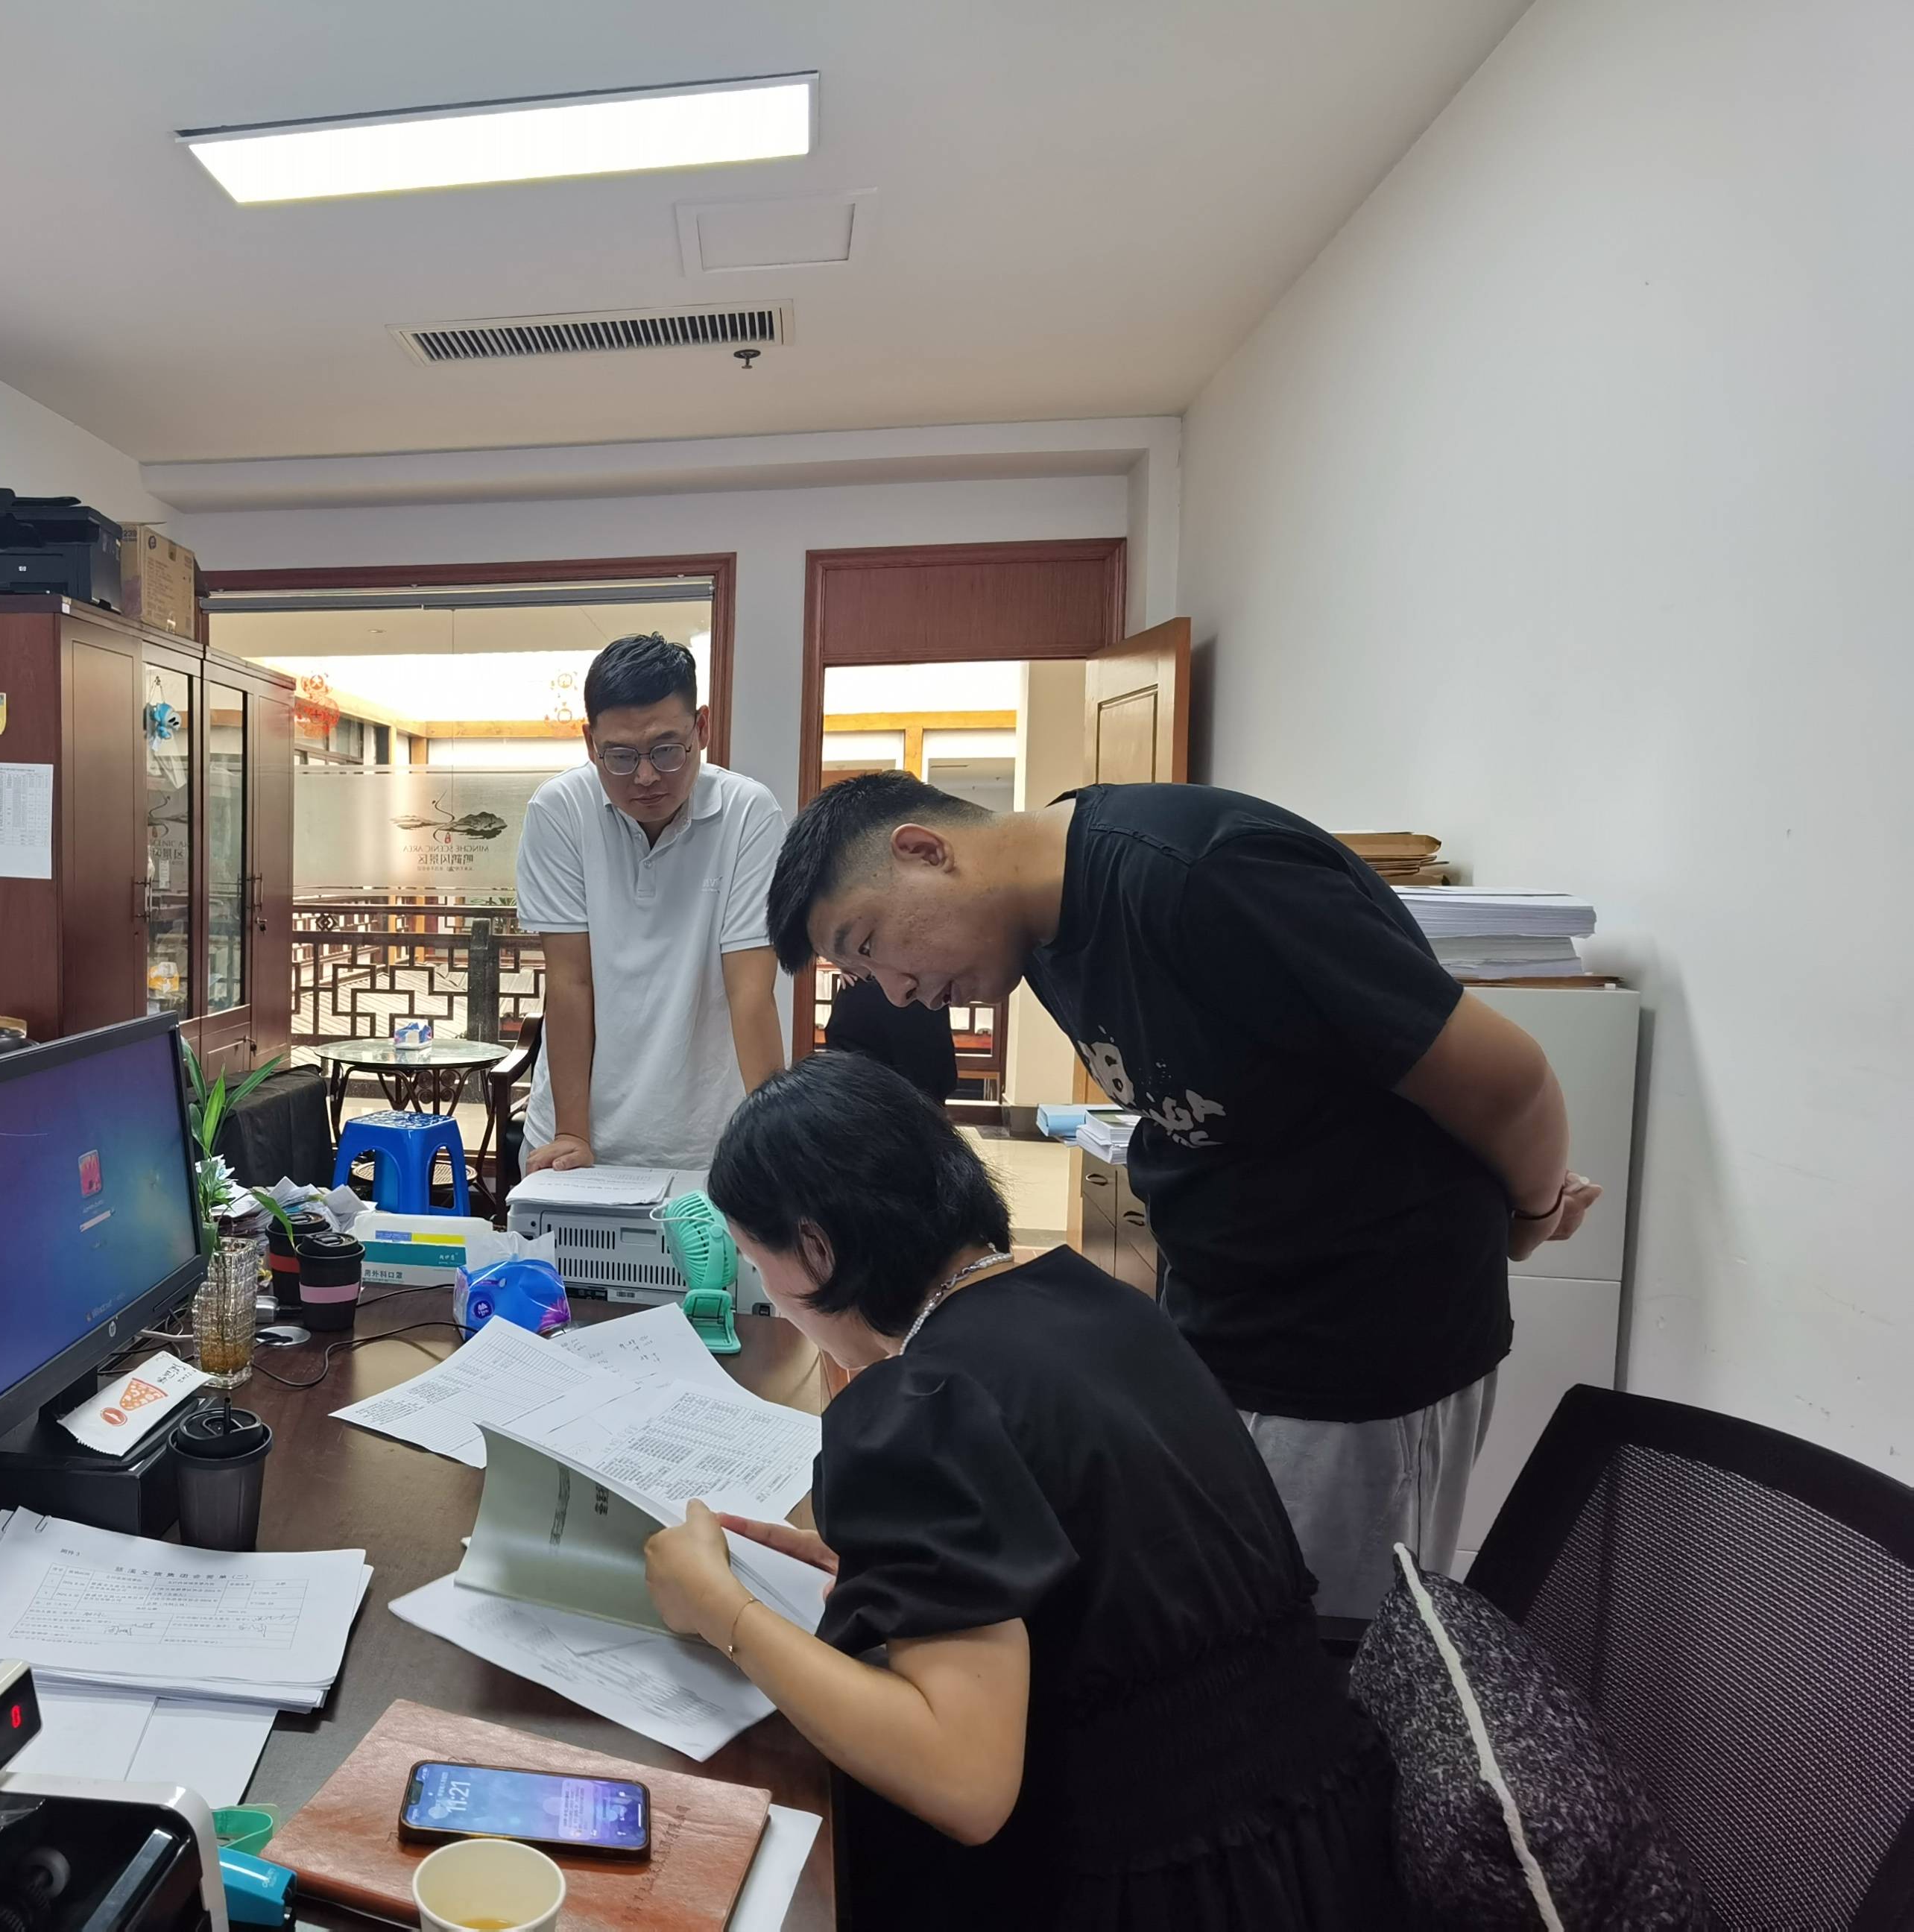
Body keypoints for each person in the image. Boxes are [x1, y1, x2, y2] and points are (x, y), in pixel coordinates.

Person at [763, 772, 1602, 1617]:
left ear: (923, 851)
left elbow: (1510, 1079)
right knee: (1214, 1617)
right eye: (862, 974)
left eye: (869, 944)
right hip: (1225, 1326)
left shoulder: (1202, 876)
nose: (898, 991)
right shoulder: (1039, 931)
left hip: (1357, 1347)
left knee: (1324, 1653)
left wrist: (1530, 1219)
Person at [642, 1052, 1400, 1926]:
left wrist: (725, 1612)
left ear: (816, 1249)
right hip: (1319, 1845)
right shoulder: (1099, 1303)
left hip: (1161, 1886)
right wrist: (906, 1573)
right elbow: (1101, 1553)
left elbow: (962, 1784)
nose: (769, 1294)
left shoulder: (922, 1403)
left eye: (754, 1259)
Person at [516, 633, 783, 1173]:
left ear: (701, 729)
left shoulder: (748, 814)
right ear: (590, 742)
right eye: (619, 756)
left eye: (666, 750)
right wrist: (572, 1132)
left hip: (712, 1138)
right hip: (577, 1131)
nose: (645, 776)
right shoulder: (560, 811)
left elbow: (750, 991)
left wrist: (773, 1143)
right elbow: (571, 982)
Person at [822, 970, 958, 1104]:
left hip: (919, 991)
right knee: (854, 1088)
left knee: (925, 1088)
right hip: (868, 988)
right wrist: (846, 964)